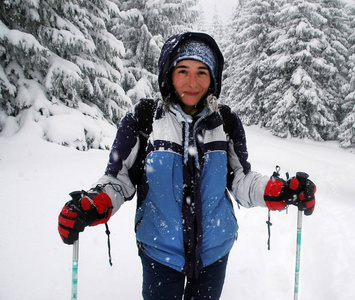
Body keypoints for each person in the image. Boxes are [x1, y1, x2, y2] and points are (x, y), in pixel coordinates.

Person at [58, 32, 316, 300]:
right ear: (169, 73)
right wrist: (94, 203)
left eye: (202, 72)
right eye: (183, 70)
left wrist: (277, 190)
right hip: (160, 253)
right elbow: (118, 180)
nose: (192, 83)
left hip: (214, 252)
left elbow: (240, 179)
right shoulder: (145, 119)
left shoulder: (225, 121)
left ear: (213, 77)